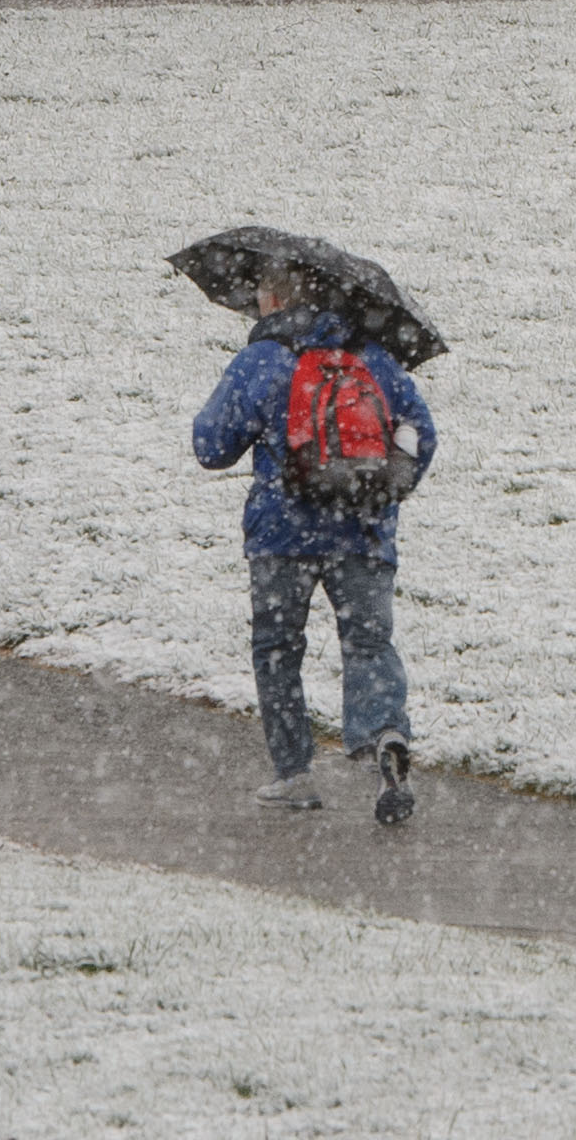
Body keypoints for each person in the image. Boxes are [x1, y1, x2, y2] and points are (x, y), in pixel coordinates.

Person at [192, 263, 436, 821]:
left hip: (282, 533)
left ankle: (293, 773)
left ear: (274, 297)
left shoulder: (262, 359)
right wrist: (380, 491)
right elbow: (421, 433)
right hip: (363, 534)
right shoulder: (375, 358)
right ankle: (385, 738)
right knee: (369, 645)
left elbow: (211, 447)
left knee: (279, 650)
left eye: (258, 292)